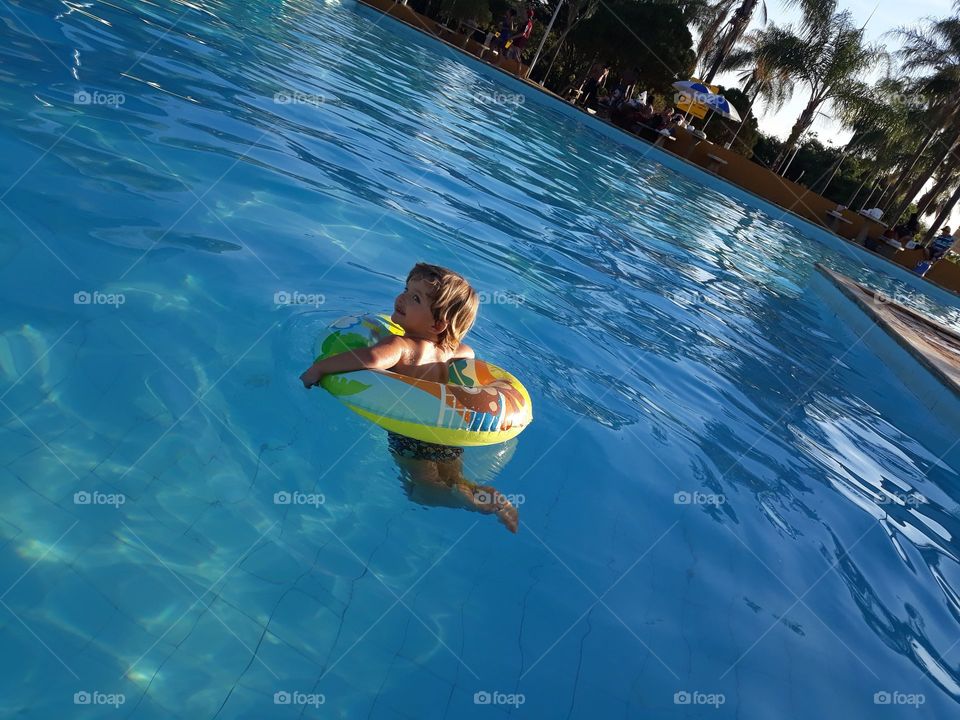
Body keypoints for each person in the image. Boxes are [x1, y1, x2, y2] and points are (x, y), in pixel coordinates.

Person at [299, 263, 519, 532]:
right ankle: (477, 493)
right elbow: (469, 358)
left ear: (438, 324)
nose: (401, 298)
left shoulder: (400, 346)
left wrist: (319, 368)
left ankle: (464, 501)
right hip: (447, 431)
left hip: (411, 434)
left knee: (419, 491)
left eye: (415, 298)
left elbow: (370, 358)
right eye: (406, 289)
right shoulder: (456, 351)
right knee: (453, 478)